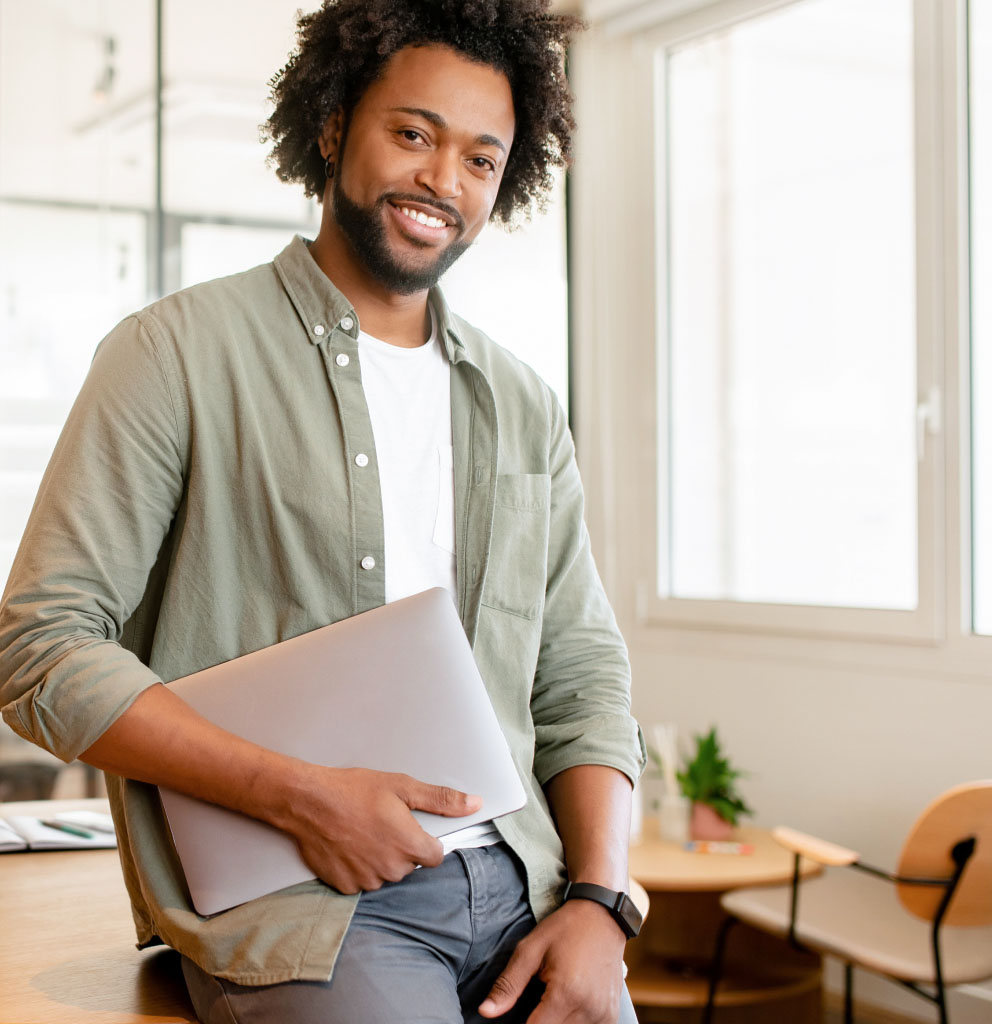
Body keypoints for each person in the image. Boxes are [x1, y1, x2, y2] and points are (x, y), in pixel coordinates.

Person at [0, 1, 646, 1022]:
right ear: (335, 123)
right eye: (412, 134)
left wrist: (601, 903)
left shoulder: (524, 404)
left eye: (482, 158)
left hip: (530, 891)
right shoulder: (173, 354)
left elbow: (581, 679)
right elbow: (39, 647)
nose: (444, 180)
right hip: (309, 907)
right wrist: (300, 794)